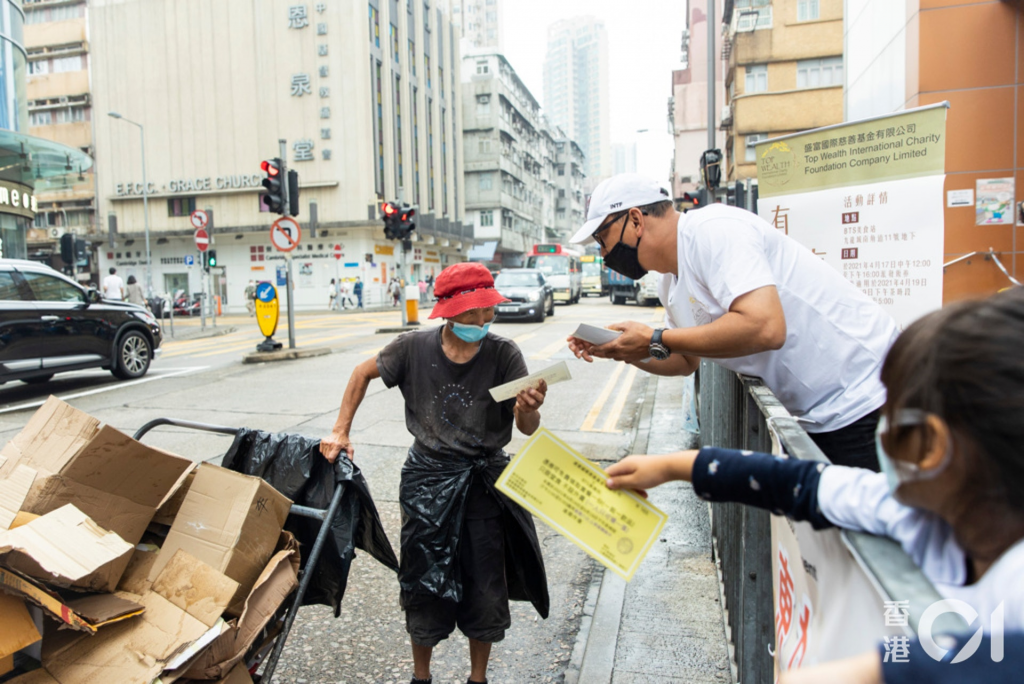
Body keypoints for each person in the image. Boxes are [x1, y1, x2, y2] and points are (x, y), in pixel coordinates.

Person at [604, 287, 1024, 681]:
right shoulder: (905, 507)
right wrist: (674, 466)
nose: (880, 425)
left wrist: (872, 673)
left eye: (891, 410)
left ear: (930, 444)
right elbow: (798, 483)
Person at [567, 174, 898, 470]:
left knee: (876, 533)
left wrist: (656, 337)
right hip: (819, 413)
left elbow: (765, 326)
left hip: (868, 393)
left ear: (636, 220)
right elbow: (684, 361)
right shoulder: (670, 282)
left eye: (602, 237)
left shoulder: (713, 230)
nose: (603, 252)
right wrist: (624, 350)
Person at [319, 262, 550, 684]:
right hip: (428, 480)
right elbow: (360, 373)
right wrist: (340, 429)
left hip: (483, 483)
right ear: (447, 312)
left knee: (484, 582)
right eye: (470, 314)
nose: (481, 321)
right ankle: (421, 676)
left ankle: (477, 678)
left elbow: (527, 428)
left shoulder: (504, 354)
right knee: (423, 581)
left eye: (487, 312)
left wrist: (527, 409)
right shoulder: (412, 348)